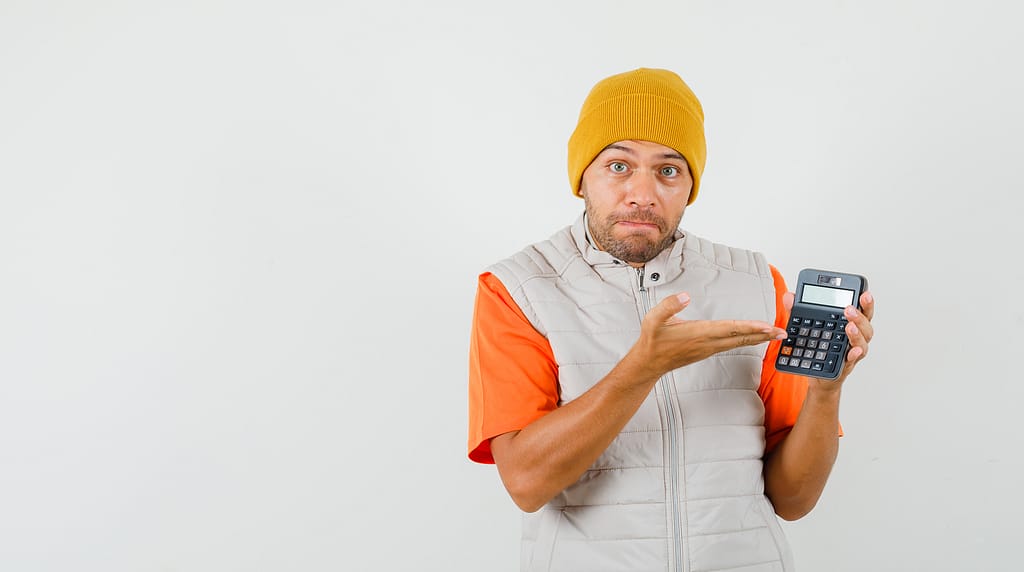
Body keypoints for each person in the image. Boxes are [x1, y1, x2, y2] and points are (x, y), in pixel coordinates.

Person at [467, 68, 875, 572]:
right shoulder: (518, 289)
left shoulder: (756, 283)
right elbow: (526, 484)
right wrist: (643, 368)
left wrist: (826, 393)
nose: (643, 193)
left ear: (689, 185)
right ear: (582, 177)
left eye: (668, 170)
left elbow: (793, 501)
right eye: (619, 166)